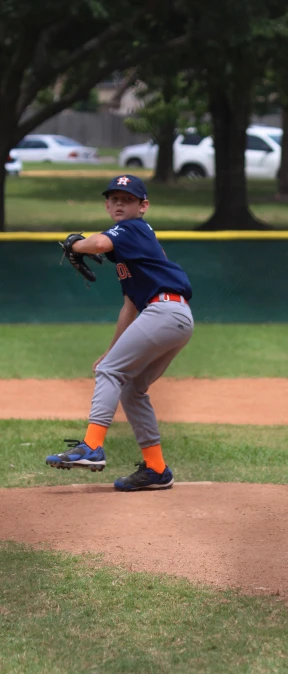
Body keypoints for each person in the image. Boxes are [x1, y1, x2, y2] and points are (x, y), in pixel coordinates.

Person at [46, 174, 194, 492]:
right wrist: (109, 350)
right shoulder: (130, 250)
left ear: (143, 207)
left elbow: (98, 243)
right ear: (106, 204)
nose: (119, 204)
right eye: (114, 199)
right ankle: (156, 468)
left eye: (127, 199)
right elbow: (130, 307)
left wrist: (74, 243)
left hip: (165, 312)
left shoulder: (132, 229)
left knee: (111, 372)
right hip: (176, 317)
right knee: (132, 388)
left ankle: (91, 447)